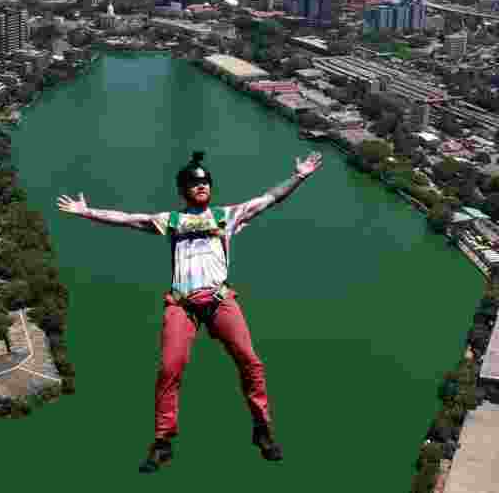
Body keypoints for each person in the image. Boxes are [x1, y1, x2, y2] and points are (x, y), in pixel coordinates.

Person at [57, 149, 323, 473]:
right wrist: (87, 212)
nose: (201, 187)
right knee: (170, 368)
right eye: (194, 184)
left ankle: (262, 430)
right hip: (182, 304)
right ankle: (163, 442)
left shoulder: (227, 216)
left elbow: (269, 198)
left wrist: (299, 176)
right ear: (183, 191)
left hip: (219, 299)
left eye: (205, 183)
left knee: (250, 361)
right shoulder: (171, 222)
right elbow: (128, 219)